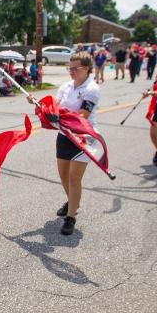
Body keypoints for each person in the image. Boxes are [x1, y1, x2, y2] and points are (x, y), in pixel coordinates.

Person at [41, 51, 99, 236]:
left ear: (86, 69)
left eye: (76, 69)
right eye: (70, 68)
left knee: (75, 178)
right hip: (64, 135)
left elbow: (83, 115)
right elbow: (55, 105)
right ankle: (72, 201)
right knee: (64, 176)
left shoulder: (92, 88)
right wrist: (43, 107)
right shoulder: (66, 86)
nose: (72, 72)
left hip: (83, 137)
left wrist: (59, 115)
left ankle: (71, 216)